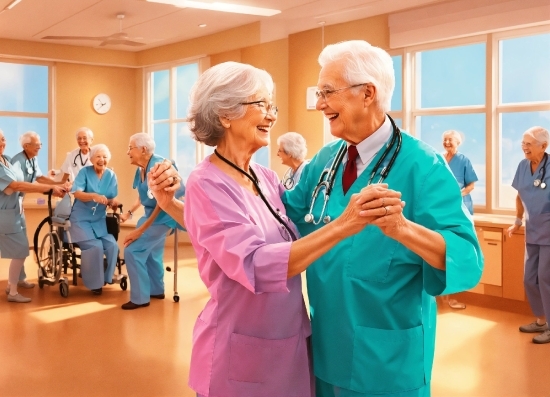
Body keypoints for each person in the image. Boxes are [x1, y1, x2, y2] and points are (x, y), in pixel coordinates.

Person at [146, 61, 404, 397]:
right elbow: (254, 262)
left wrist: (171, 206)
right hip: (243, 352)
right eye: (261, 105)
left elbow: (229, 231)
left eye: (272, 106)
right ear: (225, 114)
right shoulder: (205, 182)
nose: (271, 116)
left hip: (290, 342)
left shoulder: (265, 178)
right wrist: (345, 225)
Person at [282, 41, 483, 396]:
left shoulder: (424, 165)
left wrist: (403, 229)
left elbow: (467, 258)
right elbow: (283, 216)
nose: (319, 103)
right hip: (327, 349)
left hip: (388, 360)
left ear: (367, 94)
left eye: (327, 92)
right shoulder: (325, 161)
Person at [118, 132, 184, 310]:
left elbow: (162, 203)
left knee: (132, 250)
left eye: (130, 148)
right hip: (151, 216)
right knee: (153, 253)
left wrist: (140, 230)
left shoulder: (158, 167)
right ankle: (156, 290)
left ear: (143, 149)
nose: (127, 152)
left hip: (165, 216)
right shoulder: (141, 169)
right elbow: (143, 196)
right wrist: (129, 213)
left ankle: (140, 298)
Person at [0, 129, 66, 303]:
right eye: (37, 144)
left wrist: (57, 183)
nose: (40, 147)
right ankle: (12, 290)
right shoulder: (14, 161)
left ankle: (16, 282)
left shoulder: (8, 160)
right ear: (26, 145)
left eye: (3, 138)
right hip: (6, 211)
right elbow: (16, 186)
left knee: (21, 246)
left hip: (16, 207)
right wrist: (49, 189)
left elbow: (37, 178)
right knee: (20, 249)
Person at [507, 126, 550, 345]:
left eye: (529, 144)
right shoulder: (523, 166)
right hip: (532, 230)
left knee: (545, 278)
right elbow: (519, 196)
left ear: (544, 146)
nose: (524, 147)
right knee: (529, 279)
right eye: (523, 143)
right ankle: (541, 320)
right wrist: (517, 220)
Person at [67, 144, 119, 295]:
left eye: (105, 157)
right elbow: (76, 193)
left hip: (99, 221)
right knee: (95, 246)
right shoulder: (85, 172)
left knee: (112, 245)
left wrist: (112, 203)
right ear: (91, 159)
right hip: (81, 220)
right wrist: (93, 196)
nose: (102, 160)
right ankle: (94, 283)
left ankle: (107, 278)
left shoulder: (111, 175)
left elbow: (110, 198)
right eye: (98, 156)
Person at [442, 129, 479, 309]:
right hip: (442, 210)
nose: (447, 142)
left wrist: (457, 195)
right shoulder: (440, 159)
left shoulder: (464, 161)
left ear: (458, 143)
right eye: (445, 140)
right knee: (443, 252)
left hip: (460, 210)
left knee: (456, 253)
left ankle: (453, 297)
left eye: (450, 140)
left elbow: (471, 185)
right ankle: (443, 294)